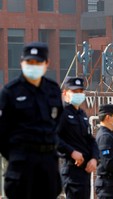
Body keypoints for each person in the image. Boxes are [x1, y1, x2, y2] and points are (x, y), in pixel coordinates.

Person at [0, 41, 63, 199]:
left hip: (48, 161)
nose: (33, 66)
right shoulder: (10, 92)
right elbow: (2, 131)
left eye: (37, 62)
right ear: (22, 62)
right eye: (29, 62)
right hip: (22, 162)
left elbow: (58, 123)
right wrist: (16, 154)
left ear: (46, 63)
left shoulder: (53, 89)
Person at [57, 76, 99, 199]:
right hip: (71, 170)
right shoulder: (62, 113)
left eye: (81, 91)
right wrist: (72, 152)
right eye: (74, 91)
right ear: (65, 93)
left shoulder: (82, 115)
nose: (79, 94)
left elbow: (90, 140)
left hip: (85, 170)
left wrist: (95, 158)